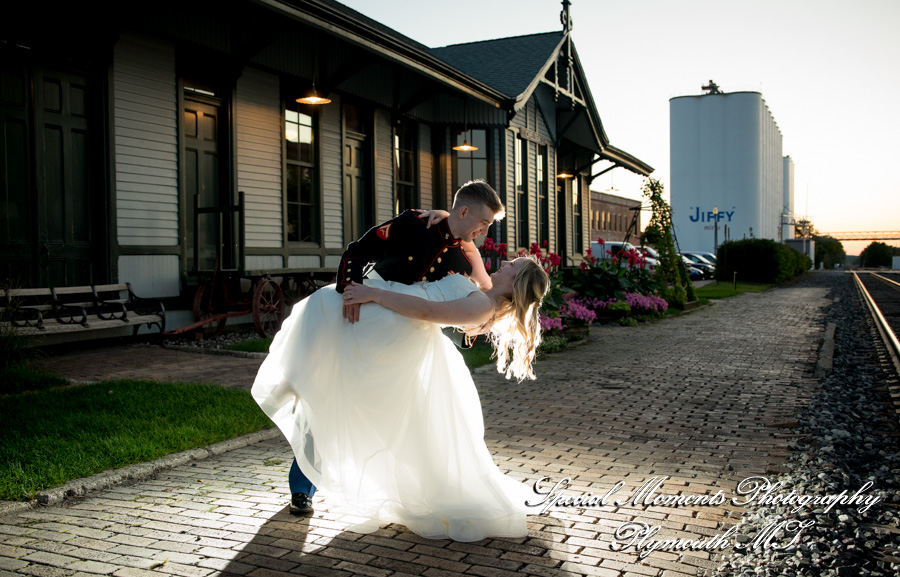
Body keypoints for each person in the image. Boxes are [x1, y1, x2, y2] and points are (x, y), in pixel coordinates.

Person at [251, 255, 549, 541]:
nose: (506, 262)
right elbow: (463, 237)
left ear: (516, 282)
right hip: (384, 328)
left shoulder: (483, 306)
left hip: (390, 340)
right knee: (326, 351)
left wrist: (374, 294)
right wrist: (440, 216)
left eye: (513, 266)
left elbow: (426, 312)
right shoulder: (482, 288)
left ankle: (294, 391)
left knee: (342, 399)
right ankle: (296, 391)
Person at [285, 180, 504, 515]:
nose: (485, 232)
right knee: (331, 399)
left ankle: (402, 493)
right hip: (361, 326)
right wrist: (348, 291)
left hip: (405, 348)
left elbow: (463, 311)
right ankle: (302, 489)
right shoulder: (413, 225)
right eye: (484, 222)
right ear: (463, 211)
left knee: (402, 419)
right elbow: (356, 250)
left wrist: (471, 329)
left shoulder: (463, 260)